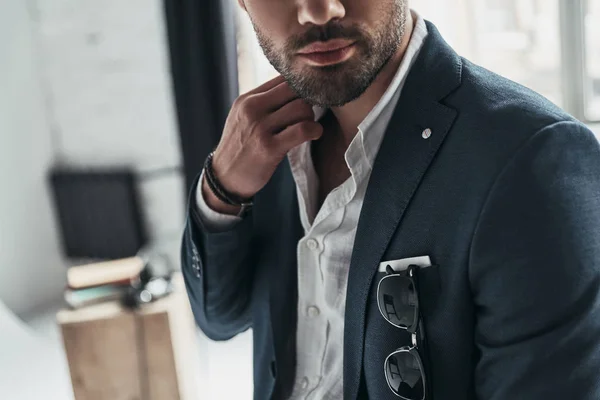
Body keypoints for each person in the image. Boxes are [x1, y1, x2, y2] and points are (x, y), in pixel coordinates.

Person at [180, 0, 600, 399]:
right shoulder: (259, 143)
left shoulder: (532, 159)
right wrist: (223, 190)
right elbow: (220, 318)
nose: (320, 10)